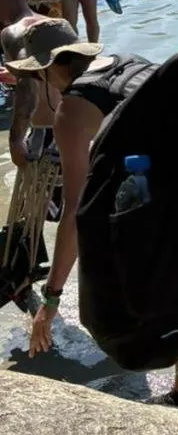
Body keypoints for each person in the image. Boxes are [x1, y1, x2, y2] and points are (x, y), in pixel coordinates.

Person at [4, 19, 153, 357]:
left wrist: (52, 298)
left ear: (49, 68)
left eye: (36, 74)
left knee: (139, 312)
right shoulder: (128, 62)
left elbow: (75, 209)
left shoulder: (72, 108)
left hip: (174, 195)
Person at [0, 0, 58, 167]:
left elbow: (28, 84)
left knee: (34, 198)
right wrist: (17, 75)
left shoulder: (12, 32)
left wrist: (15, 140)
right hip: (71, 128)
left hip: (43, 136)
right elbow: (52, 73)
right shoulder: (58, 23)